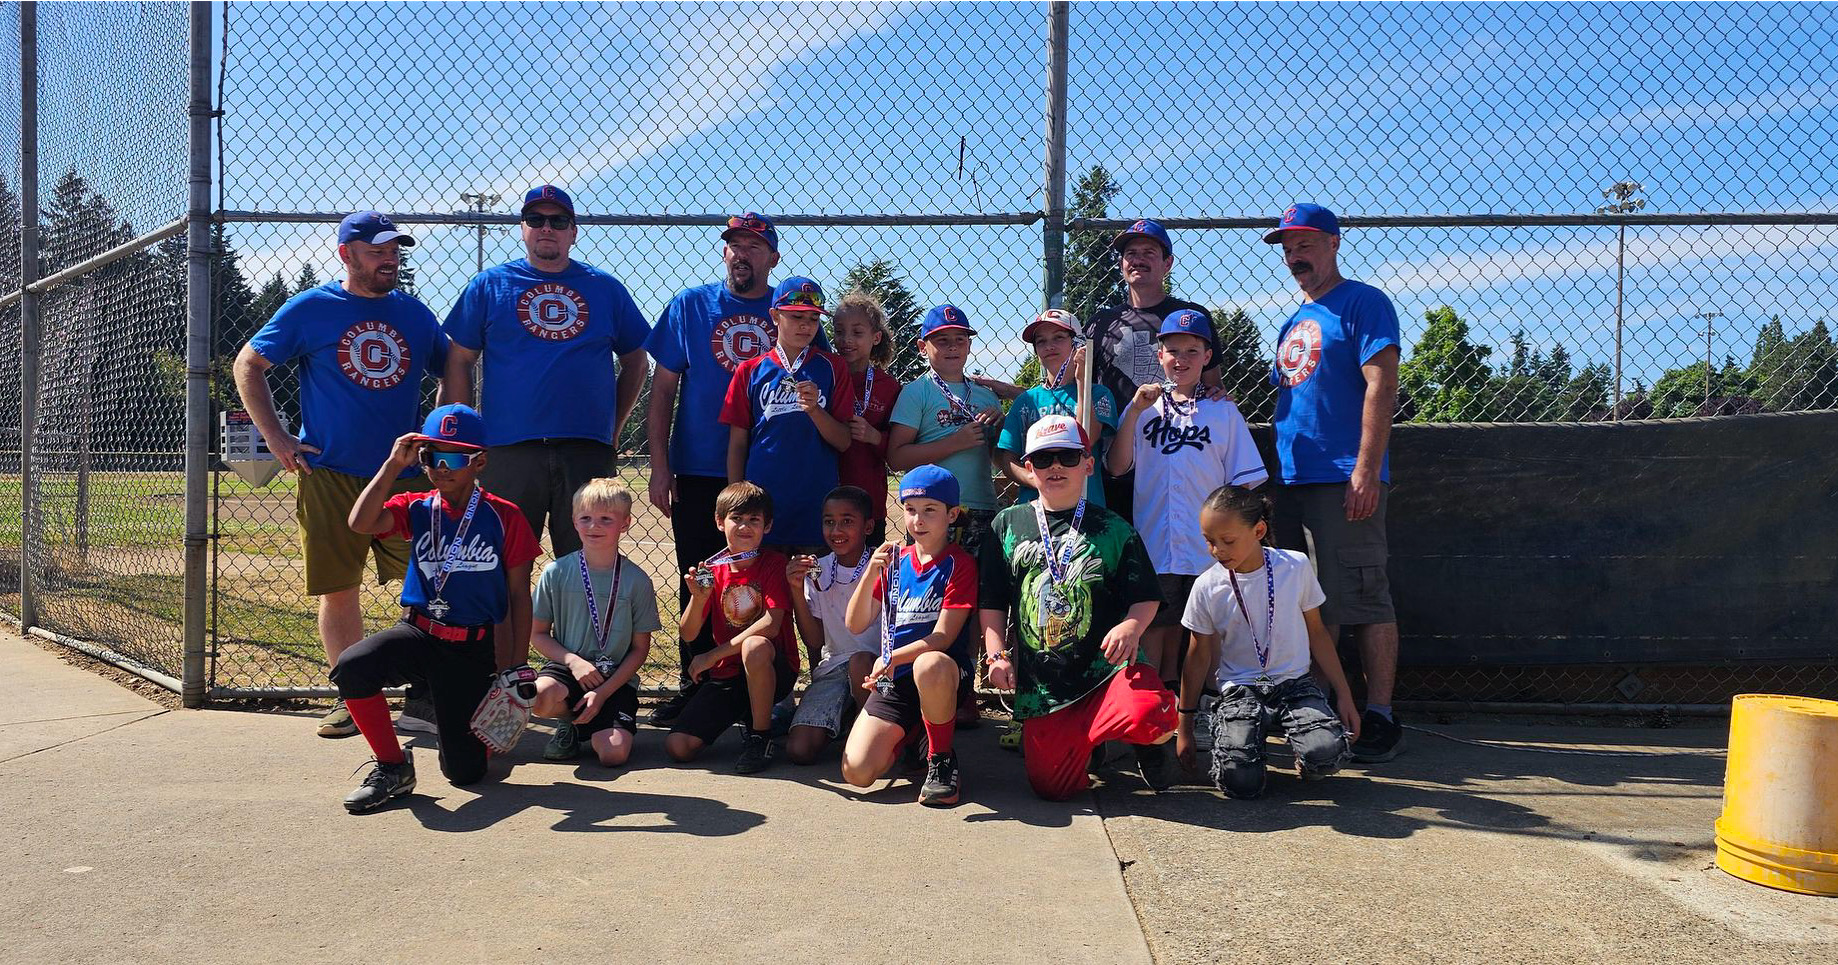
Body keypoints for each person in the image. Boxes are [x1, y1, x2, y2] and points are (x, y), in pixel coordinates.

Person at [232, 210, 447, 739]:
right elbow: (248, 365)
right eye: (377, 251)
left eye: (395, 250)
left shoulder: (415, 314)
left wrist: (438, 436)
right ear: (346, 254)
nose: (390, 259)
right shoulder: (313, 307)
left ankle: (430, 693)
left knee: (435, 582)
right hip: (330, 470)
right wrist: (277, 438)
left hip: (404, 474)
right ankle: (357, 697)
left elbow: (454, 370)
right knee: (339, 588)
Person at [644, 213, 828, 725]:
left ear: (772, 256)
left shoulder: (795, 310)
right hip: (703, 470)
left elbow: (825, 384)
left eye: (754, 245)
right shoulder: (691, 305)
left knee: (781, 583)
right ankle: (698, 683)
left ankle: (779, 686)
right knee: (702, 579)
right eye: (734, 244)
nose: (741, 253)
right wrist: (661, 466)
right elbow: (662, 390)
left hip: (773, 475)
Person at [332, 404, 539, 813]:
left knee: (464, 773)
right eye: (431, 457)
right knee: (352, 665)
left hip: (470, 647)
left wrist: (515, 665)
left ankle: (471, 729)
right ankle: (393, 767)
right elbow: (360, 522)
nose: (441, 468)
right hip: (418, 631)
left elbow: (518, 595)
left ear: (479, 462)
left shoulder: (505, 516)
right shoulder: (417, 506)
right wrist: (394, 464)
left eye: (453, 458)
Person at [440, 184, 651, 559]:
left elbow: (637, 360)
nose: (546, 228)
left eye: (558, 220)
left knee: (590, 563)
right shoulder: (490, 285)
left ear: (574, 231)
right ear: (523, 228)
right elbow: (459, 359)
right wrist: (462, 438)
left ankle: (585, 622)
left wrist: (612, 429)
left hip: (585, 449)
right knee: (499, 564)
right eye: (536, 219)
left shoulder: (604, 288)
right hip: (508, 448)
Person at [1264, 202, 1405, 762]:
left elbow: (1381, 383)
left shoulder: (1363, 303)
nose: (1295, 254)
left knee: (1366, 596)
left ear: (1334, 243)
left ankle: (1380, 715)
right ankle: (1317, 708)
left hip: (1344, 477)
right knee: (1306, 604)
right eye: (1288, 247)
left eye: (1306, 243)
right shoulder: (1294, 318)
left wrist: (1366, 468)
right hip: (1294, 481)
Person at [1106, 308, 1267, 788]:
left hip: (1209, 552)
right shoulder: (1144, 410)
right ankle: (1150, 732)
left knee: (1210, 641)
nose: (1180, 358)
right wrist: (1133, 409)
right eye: (1172, 350)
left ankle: (1217, 730)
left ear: (1206, 358)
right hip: (1156, 544)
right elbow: (1116, 468)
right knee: (1153, 636)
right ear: (1159, 355)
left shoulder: (1223, 411)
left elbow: (1246, 484)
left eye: (1191, 351)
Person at [979, 416, 1174, 800]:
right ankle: (1091, 743)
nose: (1055, 467)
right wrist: (996, 656)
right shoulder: (1007, 525)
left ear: (1087, 463)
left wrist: (1132, 627)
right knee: (1051, 788)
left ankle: (1147, 743)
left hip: (1107, 670)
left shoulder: (1113, 527)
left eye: (1067, 457)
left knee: (1147, 713)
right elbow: (992, 602)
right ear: (1028, 467)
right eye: (1044, 458)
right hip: (1046, 686)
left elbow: (1146, 594)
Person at [1176, 485, 1360, 799]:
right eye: (1209, 541)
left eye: (1228, 541)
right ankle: (1246, 750)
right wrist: (1185, 725)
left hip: (1294, 683)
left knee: (1326, 753)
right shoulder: (1207, 585)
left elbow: (1317, 633)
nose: (1218, 551)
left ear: (1258, 530)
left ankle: (1304, 750)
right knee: (1239, 783)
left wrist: (1344, 695)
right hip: (1241, 687)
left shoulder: (1295, 566)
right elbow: (1197, 655)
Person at [886, 304, 1003, 729]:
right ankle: (924, 682)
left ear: (970, 344)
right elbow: (896, 455)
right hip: (936, 516)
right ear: (923, 347)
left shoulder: (984, 395)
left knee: (971, 605)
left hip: (982, 509)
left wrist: (1001, 416)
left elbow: (998, 454)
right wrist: (952, 441)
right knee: (934, 604)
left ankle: (964, 687)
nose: (952, 346)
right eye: (941, 340)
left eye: (960, 339)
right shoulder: (917, 392)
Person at [840, 466, 978, 807]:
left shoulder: (959, 564)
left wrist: (891, 658)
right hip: (897, 679)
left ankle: (941, 759)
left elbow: (943, 638)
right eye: (911, 510)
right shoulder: (894, 562)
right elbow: (855, 624)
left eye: (930, 510)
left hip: (942, 674)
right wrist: (872, 571)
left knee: (929, 664)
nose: (918, 520)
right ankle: (916, 732)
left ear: (952, 514)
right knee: (857, 772)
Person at [1084, 218, 1224, 520]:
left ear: (1167, 263)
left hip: (1176, 459)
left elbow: (1213, 385)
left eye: (1149, 252)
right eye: (1130, 253)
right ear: (1121, 263)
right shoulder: (1101, 322)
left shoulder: (1191, 317)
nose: (1138, 260)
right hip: (1117, 462)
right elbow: (1081, 388)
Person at [665, 481, 799, 774]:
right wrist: (698, 600)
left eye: (754, 520)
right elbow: (688, 633)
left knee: (755, 645)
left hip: (772, 669)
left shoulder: (774, 562)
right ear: (719, 522)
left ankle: (760, 736)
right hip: (729, 672)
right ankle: (745, 714)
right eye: (736, 518)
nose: (744, 527)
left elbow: (771, 624)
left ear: (768, 526)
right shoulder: (711, 568)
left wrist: (710, 656)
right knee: (679, 747)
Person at [528, 479, 660, 767]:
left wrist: (601, 694)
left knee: (613, 755)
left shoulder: (637, 580)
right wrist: (573, 661)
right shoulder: (556, 572)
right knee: (540, 697)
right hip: (568, 668)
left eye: (605, 519)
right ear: (574, 521)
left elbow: (639, 649)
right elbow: (537, 634)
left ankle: (591, 720)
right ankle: (569, 724)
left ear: (625, 523)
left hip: (613, 680)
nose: (593, 526)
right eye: (585, 518)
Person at [720, 276, 855, 549]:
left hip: (815, 498)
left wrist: (815, 410)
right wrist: (736, 499)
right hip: (762, 501)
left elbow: (843, 440)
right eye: (795, 317)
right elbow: (737, 442)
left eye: (813, 318)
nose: (806, 325)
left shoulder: (833, 367)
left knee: (810, 583)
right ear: (775, 316)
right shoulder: (750, 370)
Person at [783, 486, 881, 765]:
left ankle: (869, 733)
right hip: (835, 666)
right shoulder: (817, 569)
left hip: (875, 667)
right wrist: (795, 589)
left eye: (847, 521)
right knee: (799, 751)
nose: (836, 529)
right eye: (829, 522)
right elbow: (814, 641)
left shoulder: (885, 564)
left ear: (868, 526)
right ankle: (845, 718)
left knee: (861, 661)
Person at [996, 308, 1116, 506]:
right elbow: (1008, 459)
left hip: (1085, 506)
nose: (1049, 346)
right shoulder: (1026, 400)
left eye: (1058, 337)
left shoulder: (1098, 394)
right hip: (1035, 510)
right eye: (1041, 341)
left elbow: (1087, 439)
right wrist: (1037, 480)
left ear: (1077, 343)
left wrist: (1082, 381)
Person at [828, 291, 902, 544]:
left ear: (876, 337)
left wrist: (874, 436)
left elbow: (898, 447)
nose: (846, 340)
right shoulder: (824, 375)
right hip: (824, 495)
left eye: (857, 333)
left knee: (868, 575)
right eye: (839, 331)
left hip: (868, 499)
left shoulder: (888, 386)